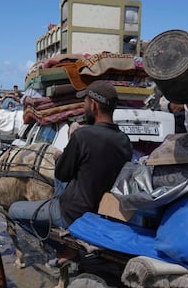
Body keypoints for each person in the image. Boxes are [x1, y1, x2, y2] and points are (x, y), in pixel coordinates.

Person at [9, 81, 133, 260]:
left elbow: (62, 174)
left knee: (14, 210)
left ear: (94, 105)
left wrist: (64, 153)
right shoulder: (124, 141)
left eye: (85, 103)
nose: (84, 107)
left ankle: (64, 247)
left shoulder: (82, 136)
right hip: (102, 210)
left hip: (72, 212)